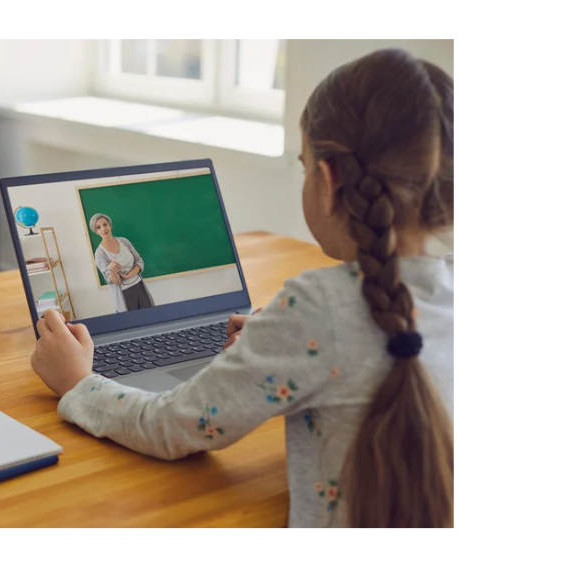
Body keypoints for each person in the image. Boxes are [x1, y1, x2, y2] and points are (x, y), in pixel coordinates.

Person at [30, 48, 454, 528]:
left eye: (304, 165)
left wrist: (77, 383)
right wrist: (276, 339)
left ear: (329, 182)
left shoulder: (317, 308)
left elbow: (170, 427)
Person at [90, 213, 155, 313]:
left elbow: (139, 260)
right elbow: (114, 281)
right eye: (98, 227)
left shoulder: (124, 241)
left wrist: (131, 274)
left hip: (139, 286)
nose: (103, 229)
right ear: (96, 231)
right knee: (132, 323)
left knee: (151, 316)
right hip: (124, 294)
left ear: (110, 226)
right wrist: (111, 270)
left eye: (105, 224)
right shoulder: (100, 254)